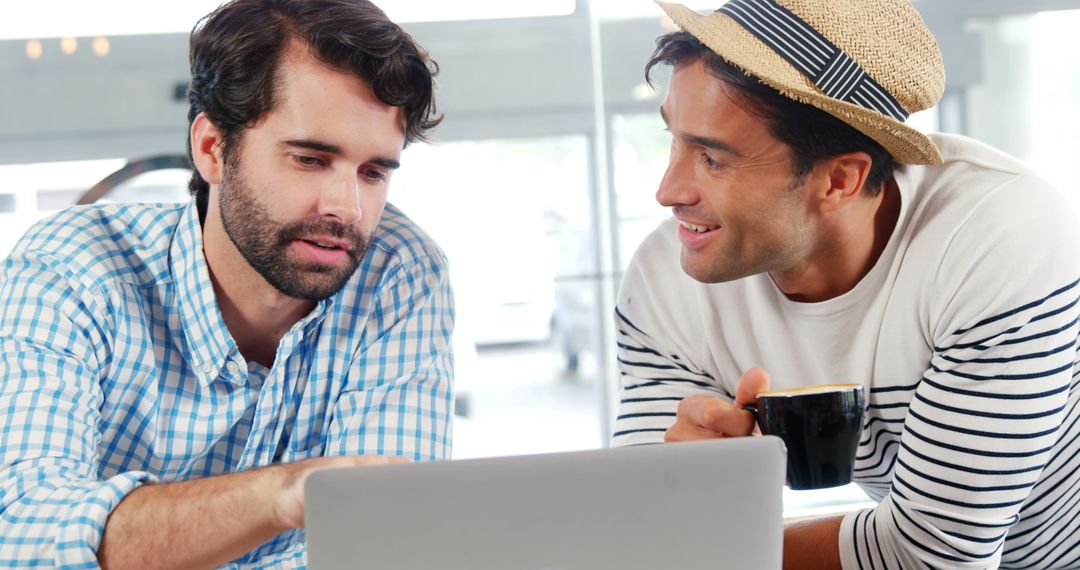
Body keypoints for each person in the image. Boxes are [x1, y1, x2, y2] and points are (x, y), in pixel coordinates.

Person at [612, 0, 1080, 568]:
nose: (668, 192)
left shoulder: (1000, 240)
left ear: (839, 180)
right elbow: (642, 530)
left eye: (712, 158)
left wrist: (722, 540)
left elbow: (930, 555)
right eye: (675, 141)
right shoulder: (666, 282)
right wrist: (697, 489)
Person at [0, 0, 453, 567]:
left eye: (374, 172)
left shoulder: (398, 274)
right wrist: (280, 496)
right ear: (213, 149)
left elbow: (391, 544)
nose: (349, 209)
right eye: (310, 159)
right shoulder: (73, 267)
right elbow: (23, 538)